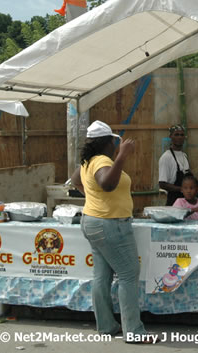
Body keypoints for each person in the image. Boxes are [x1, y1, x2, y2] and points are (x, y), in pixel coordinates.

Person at [71, 120, 156, 344]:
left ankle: (107, 326)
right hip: (109, 224)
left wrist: (93, 197)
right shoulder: (102, 161)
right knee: (128, 274)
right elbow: (107, 184)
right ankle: (134, 331)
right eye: (114, 142)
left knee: (101, 276)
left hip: (93, 221)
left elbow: (75, 180)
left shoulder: (89, 160)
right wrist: (122, 156)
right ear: (109, 142)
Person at [158, 124, 192, 206]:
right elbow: (162, 184)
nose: (179, 137)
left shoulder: (184, 156)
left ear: (185, 137)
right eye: (176, 134)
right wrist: (182, 189)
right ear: (170, 136)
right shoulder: (166, 157)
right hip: (173, 202)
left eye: (182, 135)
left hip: (186, 202)